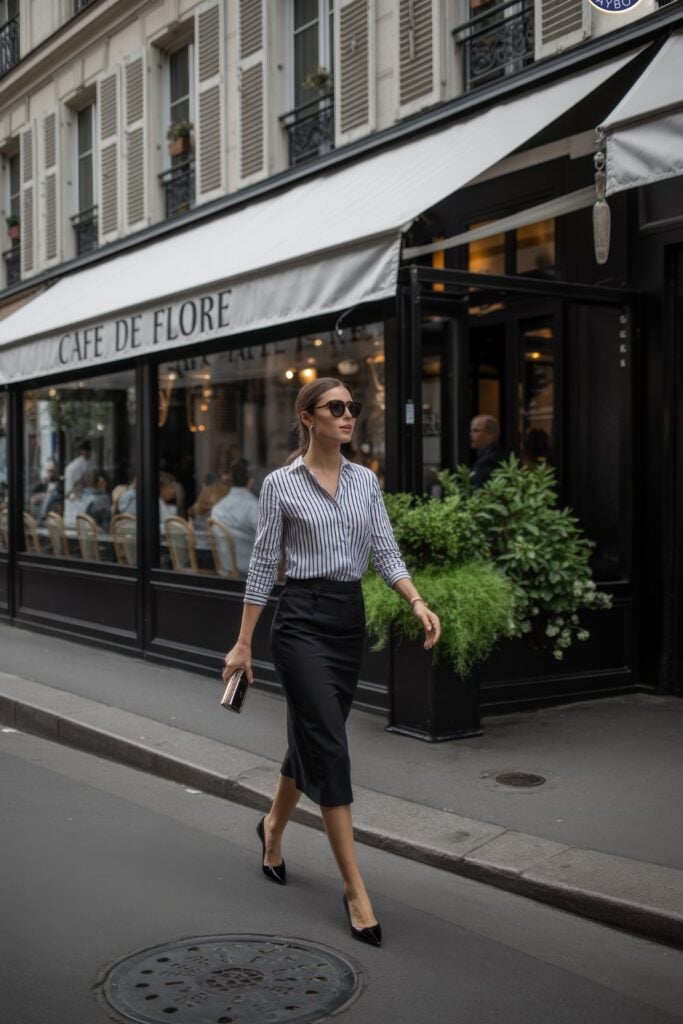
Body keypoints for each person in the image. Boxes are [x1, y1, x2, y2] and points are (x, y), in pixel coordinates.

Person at [222, 378, 441, 948]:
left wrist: (415, 600)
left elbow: (385, 550)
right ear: (308, 417)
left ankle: (271, 829)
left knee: (312, 741)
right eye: (337, 408)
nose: (349, 416)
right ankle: (355, 890)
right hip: (298, 624)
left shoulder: (366, 481)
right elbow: (265, 563)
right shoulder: (281, 485)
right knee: (333, 748)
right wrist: (244, 643)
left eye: (353, 408)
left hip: (347, 622)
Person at [209, 460, 259, 576]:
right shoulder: (253, 506)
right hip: (250, 568)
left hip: (225, 566)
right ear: (251, 481)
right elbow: (268, 539)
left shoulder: (217, 507)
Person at [470, 414, 504, 489]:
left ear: (490, 434)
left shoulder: (487, 462)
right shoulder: (498, 454)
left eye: (476, 431)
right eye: (471, 431)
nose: (471, 435)